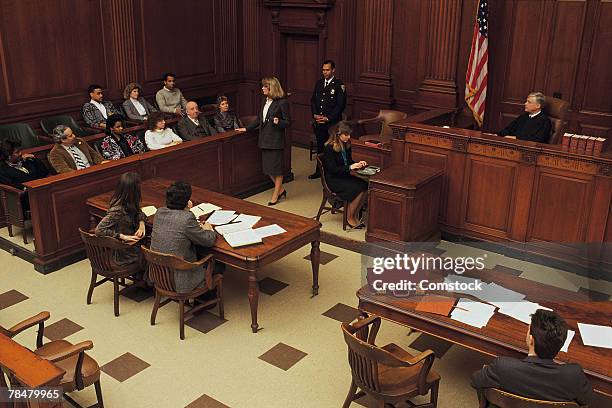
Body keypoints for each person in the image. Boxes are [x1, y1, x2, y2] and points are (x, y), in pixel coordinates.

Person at [471, 309, 593, 406]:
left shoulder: (502, 366)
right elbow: (586, 400)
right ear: (561, 345)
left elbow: (475, 381)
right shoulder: (574, 375)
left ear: (531, 339)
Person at [150, 181, 217, 294]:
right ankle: (203, 302)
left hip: (158, 275)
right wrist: (209, 229)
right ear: (187, 202)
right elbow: (208, 241)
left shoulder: (159, 212)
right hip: (180, 280)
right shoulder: (187, 218)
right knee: (218, 264)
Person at [239, 77, 291, 205]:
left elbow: (288, 122)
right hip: (264, 139)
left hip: (275, 140)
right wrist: (246, 128)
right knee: (268, 169)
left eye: (264, 86)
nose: (262, 88)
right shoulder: (264, 101)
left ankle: (275, 195)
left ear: (271, 88)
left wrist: (279, 122)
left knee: (277, 170)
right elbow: (259, 119)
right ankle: (281, 190)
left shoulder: (282, 103)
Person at [322, 122, 368, 229]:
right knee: (358, 187)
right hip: (334, 179)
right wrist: (350, 168)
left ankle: (354, 213)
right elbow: (333, 169)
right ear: (338, 134)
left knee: (365, 185)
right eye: (346, 134)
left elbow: (349, 161)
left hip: (343, 176)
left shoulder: (347, 144)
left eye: (349, 134)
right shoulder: (329, 148)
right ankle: (349, 217)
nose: (349, 137)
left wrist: (358, 164)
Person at [95, 172, 146, 267]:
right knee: (154, 254)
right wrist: (122, 236)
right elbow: (99, 230)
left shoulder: (128, 201)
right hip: (125, 252)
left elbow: (138, 211)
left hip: (132, 245)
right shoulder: (117, 210)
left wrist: (141, 224)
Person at [309, 59, 346, 179]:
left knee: (331, 147)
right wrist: (315, 114)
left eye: (327, 70)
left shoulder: (338, 85)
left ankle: (331, 172)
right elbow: (313, 101)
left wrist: (328, 118)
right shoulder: (319, 83)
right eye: (323, 70)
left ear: (333, 70)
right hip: (319, 122)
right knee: (320, 146)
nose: (325, 72)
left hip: (332, 123)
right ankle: (319, 170)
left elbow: (340, 105)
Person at [0, 140, 49, 211]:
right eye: (17, 152)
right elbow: (13, 187)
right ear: (8, 156)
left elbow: (44, 173)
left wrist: (34, 159)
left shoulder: (27, 161)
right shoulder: (2, 170)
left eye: (20, 151)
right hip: (25, 199)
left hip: (40, 191)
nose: (20, 153)